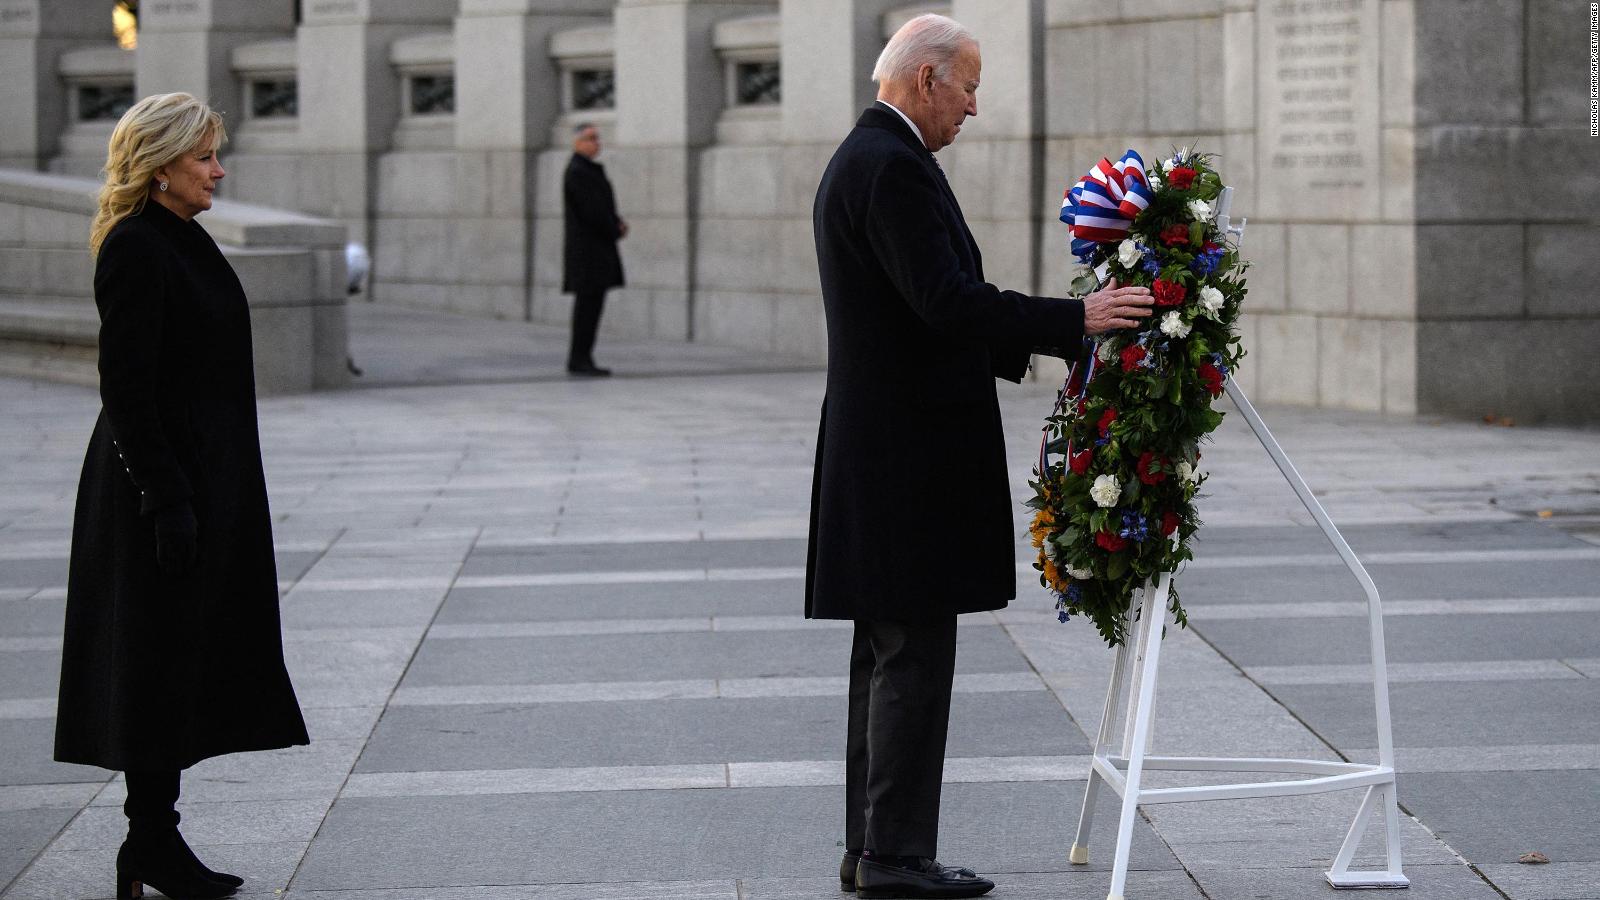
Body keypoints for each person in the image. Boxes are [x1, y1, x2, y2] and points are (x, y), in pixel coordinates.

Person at [806, 14, 1155, 899]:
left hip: (886, 449)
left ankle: (872, 848)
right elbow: (946, 301)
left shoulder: (872, 157)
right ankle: (894, 859)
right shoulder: (890, 167)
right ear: (925, 80)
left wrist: (1036, 338)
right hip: (905, 459)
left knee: (888, 656)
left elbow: (929, 306)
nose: (975, 105)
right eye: (967, 85)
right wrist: (1074, 321)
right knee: (911, 658)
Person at [55, 92, 309, 900]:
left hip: (207, 483)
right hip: (158, 494)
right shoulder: (136, 246)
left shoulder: (183, 239)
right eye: (204, 156)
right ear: (161, 163)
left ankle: (153, 844)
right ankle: (151, 845)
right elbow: (126, 390)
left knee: (183, 665)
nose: (218, 169)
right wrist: (167, 501)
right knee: (156, 669)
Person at [561, 121, 628, 377]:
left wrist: (616, 222)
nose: (596, 143)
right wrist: (614, 227)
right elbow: (593, 212)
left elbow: (601, 207)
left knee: (591, 306)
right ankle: (579, 358)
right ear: (578, 143)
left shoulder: (587, 170)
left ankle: (582, 357)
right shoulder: (578, 172)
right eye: (591, 138)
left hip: (594, 250)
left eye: (597, 138)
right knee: (587, 308)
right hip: (588, 253)